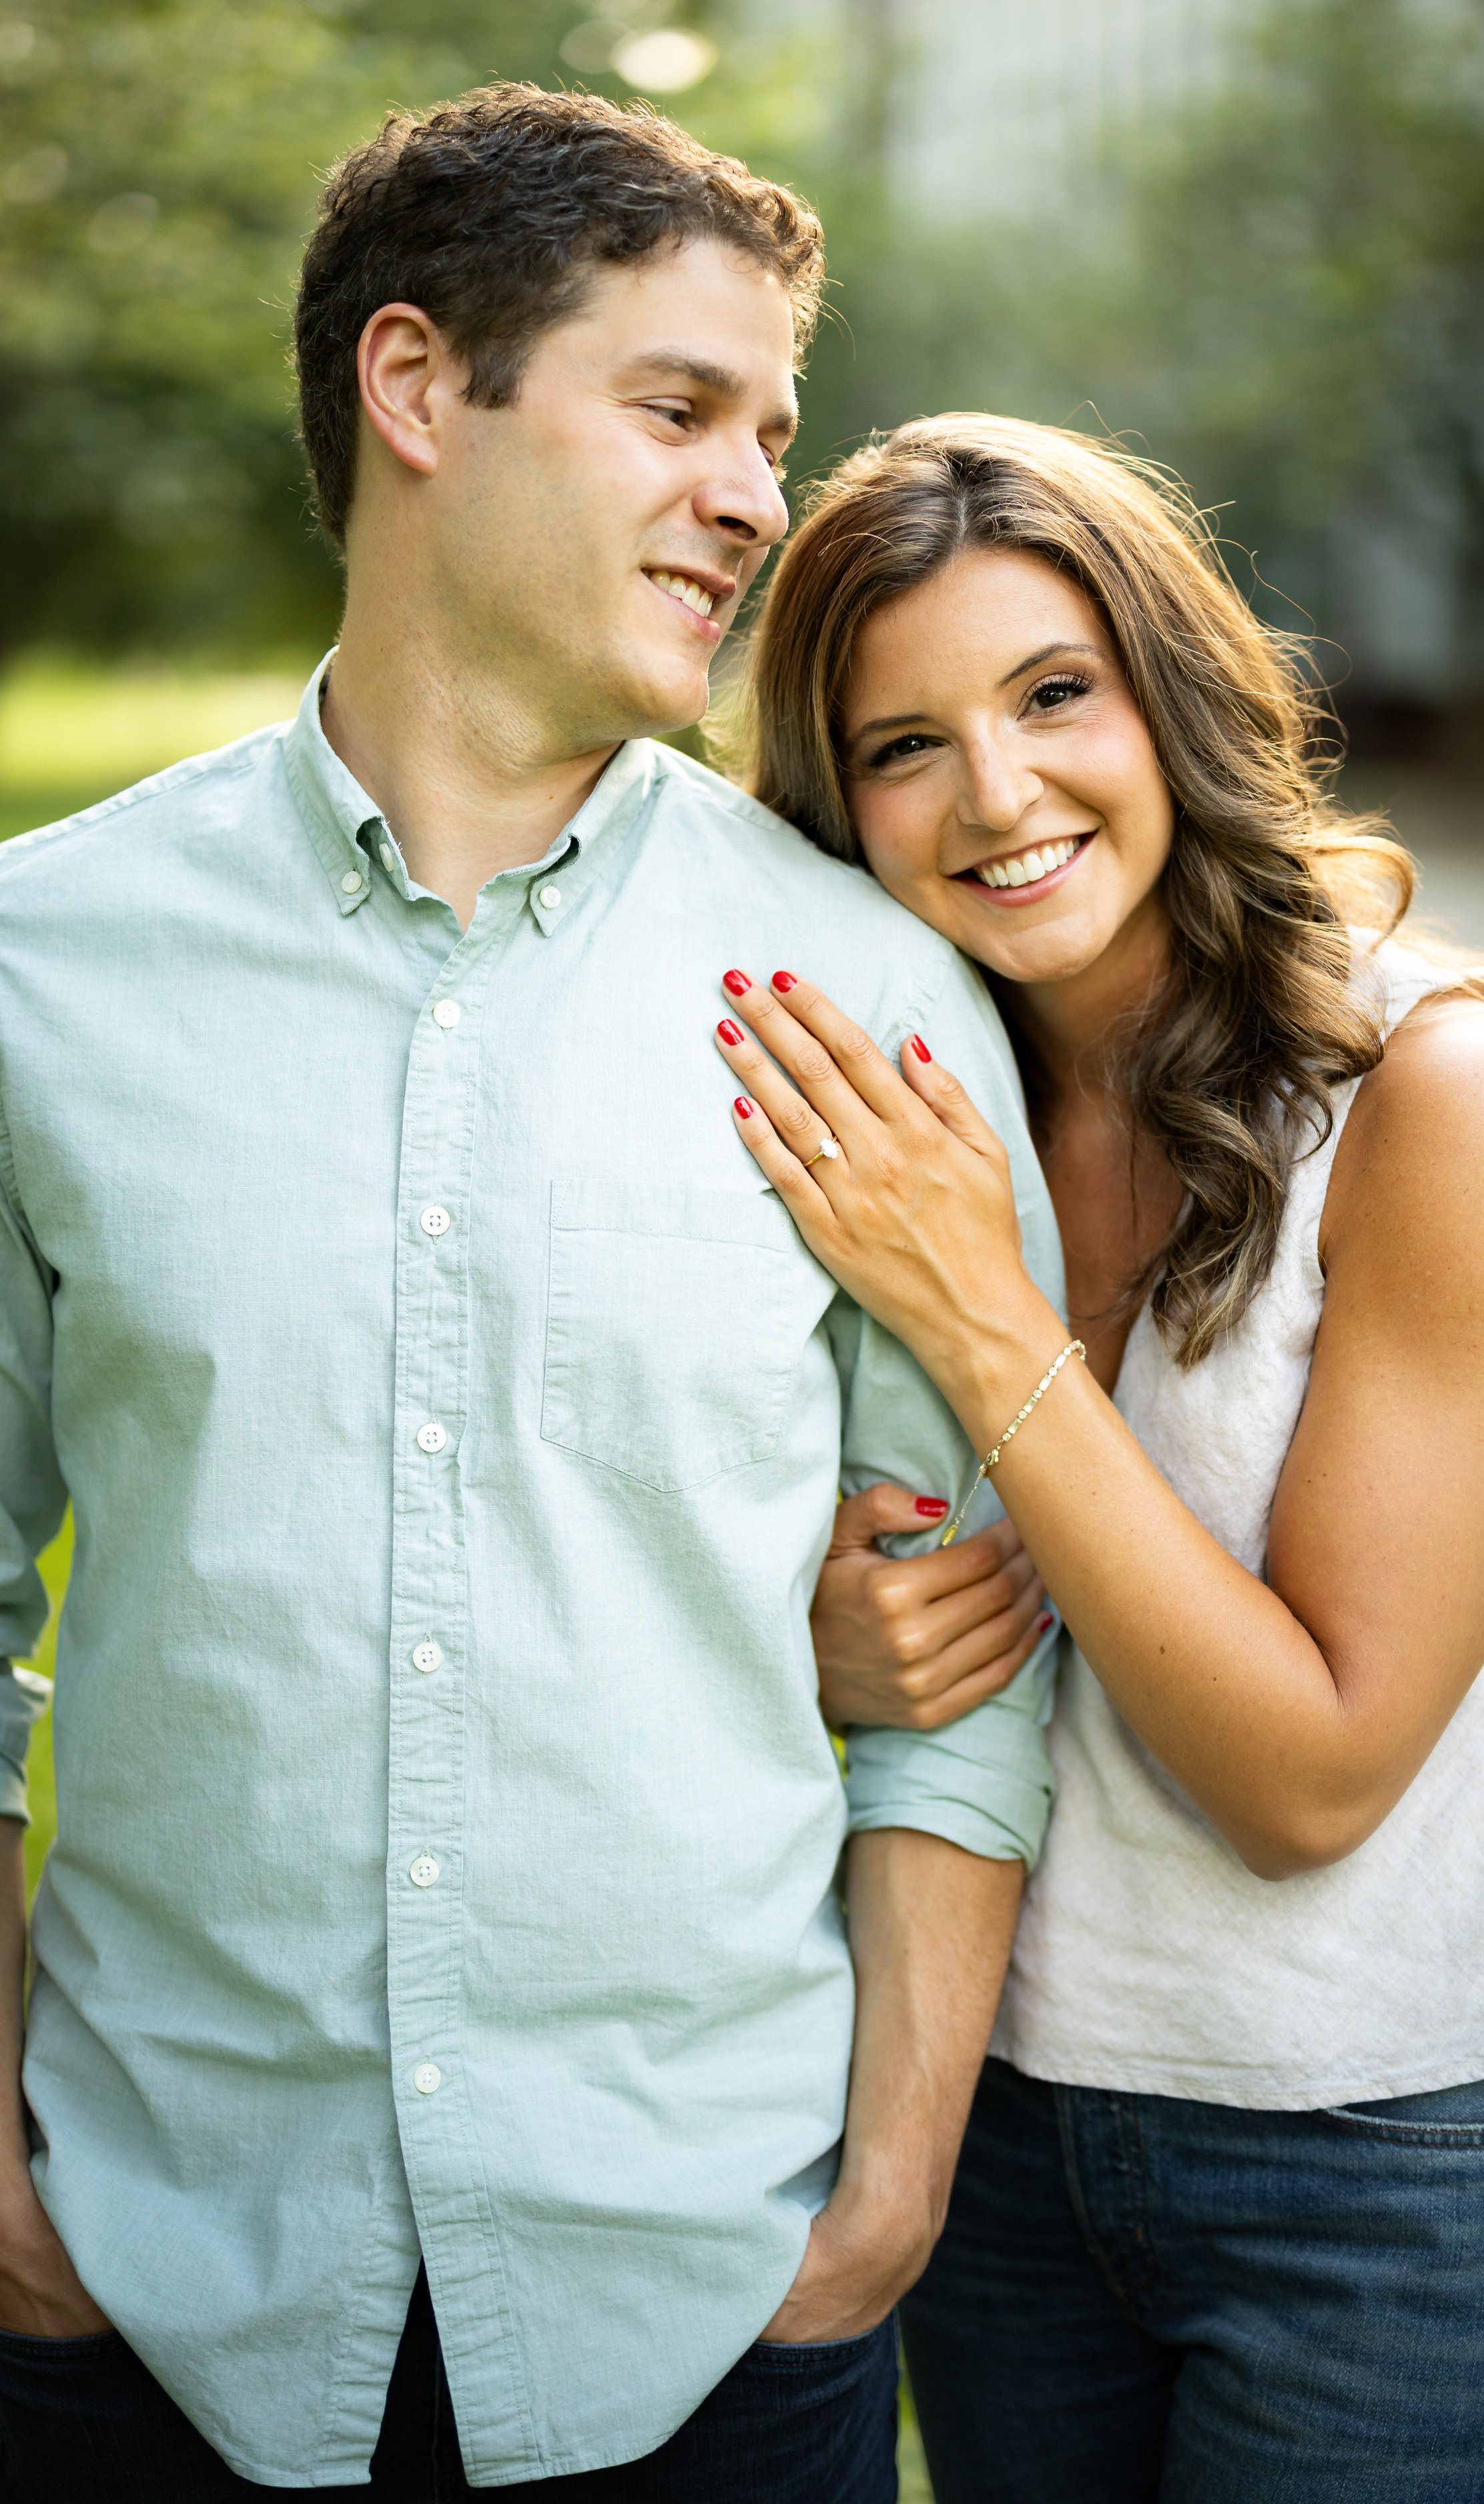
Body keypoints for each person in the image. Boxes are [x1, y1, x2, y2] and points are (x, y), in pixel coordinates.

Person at [0, 104, 1068, 2502]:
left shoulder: (872, 997)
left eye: (771, 433)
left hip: (709, 2305)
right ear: (415, 385)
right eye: (678, 409)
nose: (754, 494)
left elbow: (963, 1663)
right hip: (144, 2295)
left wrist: (881, 2198)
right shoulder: (32, 973)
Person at [711, 414, 1484, 2503]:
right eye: (901, 744)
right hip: (997, 2122)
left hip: (1393, 2156)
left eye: (1055, 694)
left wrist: (978, 1314)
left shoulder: (1429, 1096)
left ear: (1172, 692)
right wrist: (819, 1647)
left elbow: (1305, 1775)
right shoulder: (885, 1112)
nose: (998, 794)